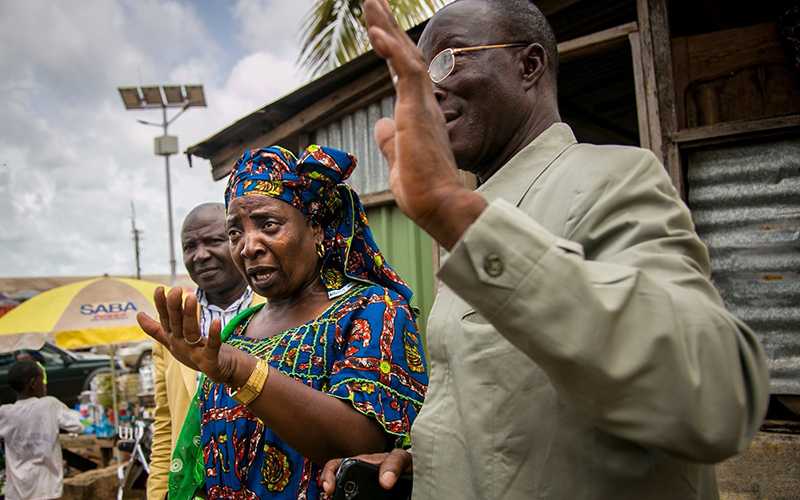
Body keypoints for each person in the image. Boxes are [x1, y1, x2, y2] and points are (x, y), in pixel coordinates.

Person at [320, 1, 770, 499]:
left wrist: (456, 214)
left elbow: (716, 398)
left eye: (448, 60)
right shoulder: (479, 215)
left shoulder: (611, 179)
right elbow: (514, 421)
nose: (430, 87)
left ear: (529, 65)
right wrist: (428, 462)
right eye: (422, 72)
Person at [137, 145, 428, 499]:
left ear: (316, 229)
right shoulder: (237, 332)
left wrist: (240, 371)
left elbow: (363, 442)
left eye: (268, 225)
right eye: (235, 233)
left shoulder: (371, 311)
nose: (248, 246)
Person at [148, 202, 264, 500]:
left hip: (265, 482)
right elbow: (165, 425)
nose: (200, 255)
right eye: (190, 246)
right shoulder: (173, 325)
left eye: (213, 241)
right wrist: (159, 493)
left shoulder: (273, 312)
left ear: (237, 241)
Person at [0, 360, 83, 500]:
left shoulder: (4, 413)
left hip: (15, 494)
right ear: (33, 383)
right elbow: (80, 425)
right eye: (42, 379)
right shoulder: (49, 405)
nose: (45, 383)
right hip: (45, 491)